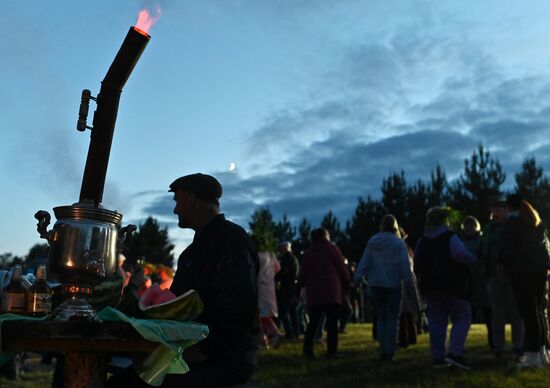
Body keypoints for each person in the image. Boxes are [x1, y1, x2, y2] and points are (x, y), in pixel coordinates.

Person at [108, 173, 260, 387]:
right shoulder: (191, 253)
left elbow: (241, 305)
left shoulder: (231, 239)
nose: (175, 209)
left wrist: (204, 350)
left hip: (223, 359)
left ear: (192, 200)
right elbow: (174, 306)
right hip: (189, 352)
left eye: (178, 201)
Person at [414, 207, 476, 369]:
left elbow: (417, 263)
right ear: (445, 220)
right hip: (453, 285)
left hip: (430, 287)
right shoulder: (450, 237)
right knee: (463, 317)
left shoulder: (422, 240)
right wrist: (474, 260)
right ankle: (455, 353)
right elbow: (459, 254)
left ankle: (438, 358)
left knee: (436, 322)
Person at [498, 196, 550, 368]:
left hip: (521, 273)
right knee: (538, 311)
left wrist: (503, 265)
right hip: (540, 272)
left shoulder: (512, 224)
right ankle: (543, 352)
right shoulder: (536, 223)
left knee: (528, 313)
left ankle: (532, 354)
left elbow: (506, 249)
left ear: (509, 209)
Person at [354, 215, 413, 361]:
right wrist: (408, 283)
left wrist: (357, 278)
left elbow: (364, 261)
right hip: (393, 284)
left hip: (375, 284)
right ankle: (390, 350)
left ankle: (383, 348)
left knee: (381, 317)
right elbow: (404, 265)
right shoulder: (398, 243)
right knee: (392, 317)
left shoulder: (373, 241)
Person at [480, 200, 524, 360]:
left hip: (512, 276)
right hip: (493, 277)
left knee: (515, 313)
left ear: (507, 210)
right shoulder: (488, 229)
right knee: (497, 314)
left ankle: (518, 346)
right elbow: (482, 251)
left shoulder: (514, 227)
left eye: (499, 209)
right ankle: (498, 347)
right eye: (494, 209)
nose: (495, 213)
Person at [297, 228, 349, 359]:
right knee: (332, 323)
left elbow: (302, 274)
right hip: (332, 291)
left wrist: (298, 288)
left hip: (314, 291)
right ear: (326, 236)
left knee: (313, 322)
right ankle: (332, 352)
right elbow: (341, 268)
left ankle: (308, 349)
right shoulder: (332, 249)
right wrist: (347, 283)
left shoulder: (309, 253)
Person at [460, 216, 494, 353]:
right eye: (467, 226)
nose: (469, 228)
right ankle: (459, 346)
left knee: (489, 314)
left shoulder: (482, 241)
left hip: (481, 282)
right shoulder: (459, 242)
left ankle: (494, 343)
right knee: (465, 316)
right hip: (466, 283)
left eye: (471, 226)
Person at [257, 243, 282, 349]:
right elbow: (278, 268)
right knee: (264, 316)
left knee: (259, 316)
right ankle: (274, 335)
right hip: (269, 288)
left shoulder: (256, 255)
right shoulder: (271, 255)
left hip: (260, 289)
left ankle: (264, 341)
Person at [275, 241, 300, 340]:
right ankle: (296, 332)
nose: (279, 250)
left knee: (283, 311)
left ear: (285, 248)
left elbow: (283, 273)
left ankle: (290, 333)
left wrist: (274, 277)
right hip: (293, 286)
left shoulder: (287, 258)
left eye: (280, 248)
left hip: (288, 287)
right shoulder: (293, 258)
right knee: (293, 311)